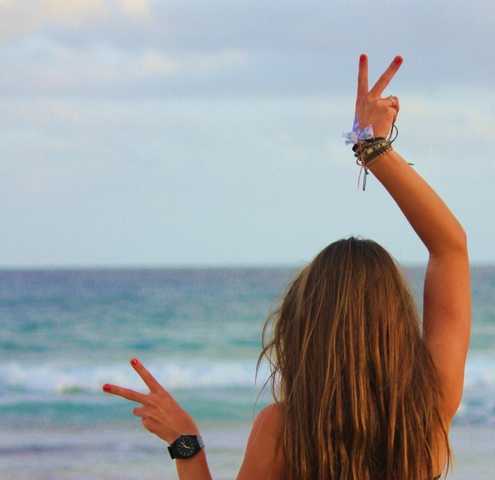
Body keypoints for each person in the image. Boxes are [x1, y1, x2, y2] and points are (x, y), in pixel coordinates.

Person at [102, 53, 472, 480]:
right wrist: (372, 147)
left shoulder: (283, 431)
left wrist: (186, 444)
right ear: (396, 321)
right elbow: (450, 248)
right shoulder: (428, 409)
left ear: (306, 326)